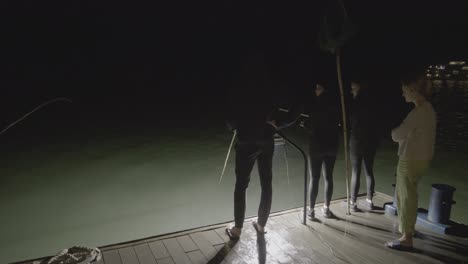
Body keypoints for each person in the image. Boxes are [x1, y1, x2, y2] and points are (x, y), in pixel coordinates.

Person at [225, 53, 279, 239]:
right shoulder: (270, 86)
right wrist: (279, 123)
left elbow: (230, 118)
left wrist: (234, 127)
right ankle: (261, 225)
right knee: (267, 183)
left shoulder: (239, 88)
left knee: (241, 185)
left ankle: (237, 229)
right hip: (266, 140)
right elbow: (282, 110)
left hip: (247, 141)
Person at [385, 74, 436, 250]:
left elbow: (397, 135)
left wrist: (395, 133)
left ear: (414, 91)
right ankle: (410, 229)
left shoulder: (417, 113)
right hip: (424, 159)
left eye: (405, 90)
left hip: (410, 159)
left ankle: (406, 238)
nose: (402, 94)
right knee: (412, 195)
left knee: (404, 197)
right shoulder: (429, 109)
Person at [303, 82, 340, 220]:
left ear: (323, 89)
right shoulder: (336, 104)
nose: (315, 90)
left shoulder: (315, 104)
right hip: (332, 146)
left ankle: (311, 210)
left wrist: (305, 124)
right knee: (329, 178)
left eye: (318, 88)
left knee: (314, 178)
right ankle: (326, 208)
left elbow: (311, 125)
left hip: (316, 147)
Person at [349, 80, 380, 211]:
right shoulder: (373, 102)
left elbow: (352, 121)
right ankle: (369, 200)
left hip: (357, 140)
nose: (351, 91)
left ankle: (353, 203)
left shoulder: (355, 103)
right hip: (371, 140)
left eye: (353, 88)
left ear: (358, 88)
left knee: (356, 172)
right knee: (369, 171)